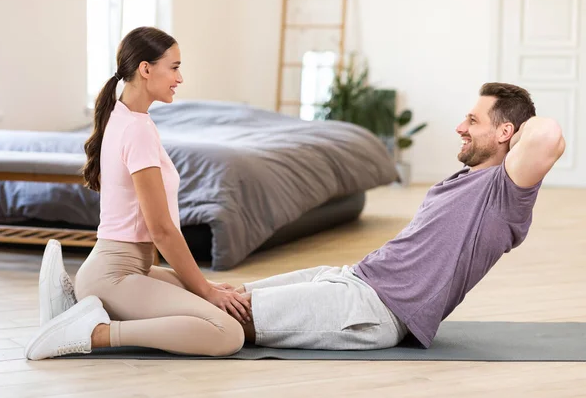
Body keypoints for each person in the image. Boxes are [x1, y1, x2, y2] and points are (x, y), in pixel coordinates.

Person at [231, 82, 566, 350]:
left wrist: (520, 126)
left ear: (505, 132)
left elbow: (548, 134)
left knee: (235, 313)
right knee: (226, 293)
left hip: (376, 308)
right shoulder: (466, 178)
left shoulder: (505, 193)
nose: (460, 127)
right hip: (350, 277)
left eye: (473, 120)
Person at [25, 26, 251, 361]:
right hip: (115, 276)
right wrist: (202, 287)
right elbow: (160, 229)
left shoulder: (125, 117)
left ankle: (76, 310)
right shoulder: (136, 129)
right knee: (227, 332)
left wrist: (204, 287)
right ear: (146, 69)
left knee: (224, 298)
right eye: (174, 67)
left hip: (126, 272)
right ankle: (96, 333)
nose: (180, 78)